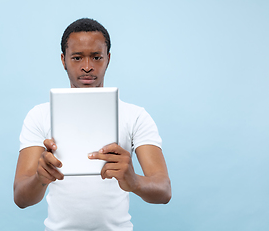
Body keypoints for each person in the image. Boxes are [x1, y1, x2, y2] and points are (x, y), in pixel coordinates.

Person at [14, 18, 171, 231]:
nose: (87, 67)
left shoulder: (135, 116)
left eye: (96, 57)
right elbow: (21, 198)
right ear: (63, 60)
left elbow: (164, 190)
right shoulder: (39, 115)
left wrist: (134, 181)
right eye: (77, 58)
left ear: (108, 59)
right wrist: (40, 178)